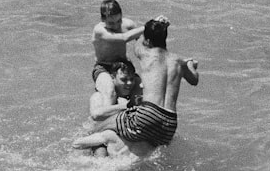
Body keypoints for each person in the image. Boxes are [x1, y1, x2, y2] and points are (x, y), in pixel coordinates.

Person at [73, 17, 199, 155]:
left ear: (148, 41)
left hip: (147, 115)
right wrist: (191, 65)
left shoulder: (146, 54)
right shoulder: (178, 61)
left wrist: (152, 24)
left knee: (100, 126)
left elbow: (136, 41)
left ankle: (82, 149)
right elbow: (194, 80)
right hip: (169, 124)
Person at [91, 0, 144, 103]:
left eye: (118, 21)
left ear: (121, 16)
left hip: (124, 66)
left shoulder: (128, 25)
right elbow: (124, 37)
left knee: (141, 92)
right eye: (111, 23)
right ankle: (108, 114)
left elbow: (143, 43)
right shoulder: (99, 30)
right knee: (110, 92)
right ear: (102, 19)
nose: (115, 26)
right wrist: (148, 26)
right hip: (104, 67)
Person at [86, 61, 143, 157]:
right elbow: (95, 115)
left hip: (122, 136)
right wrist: (128, 105)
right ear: (112, 78)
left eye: (132, 79)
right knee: (101, 156)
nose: (129, 83)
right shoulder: (98, 96)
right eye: (124, 79)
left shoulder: (133, 98)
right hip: (99, 138)